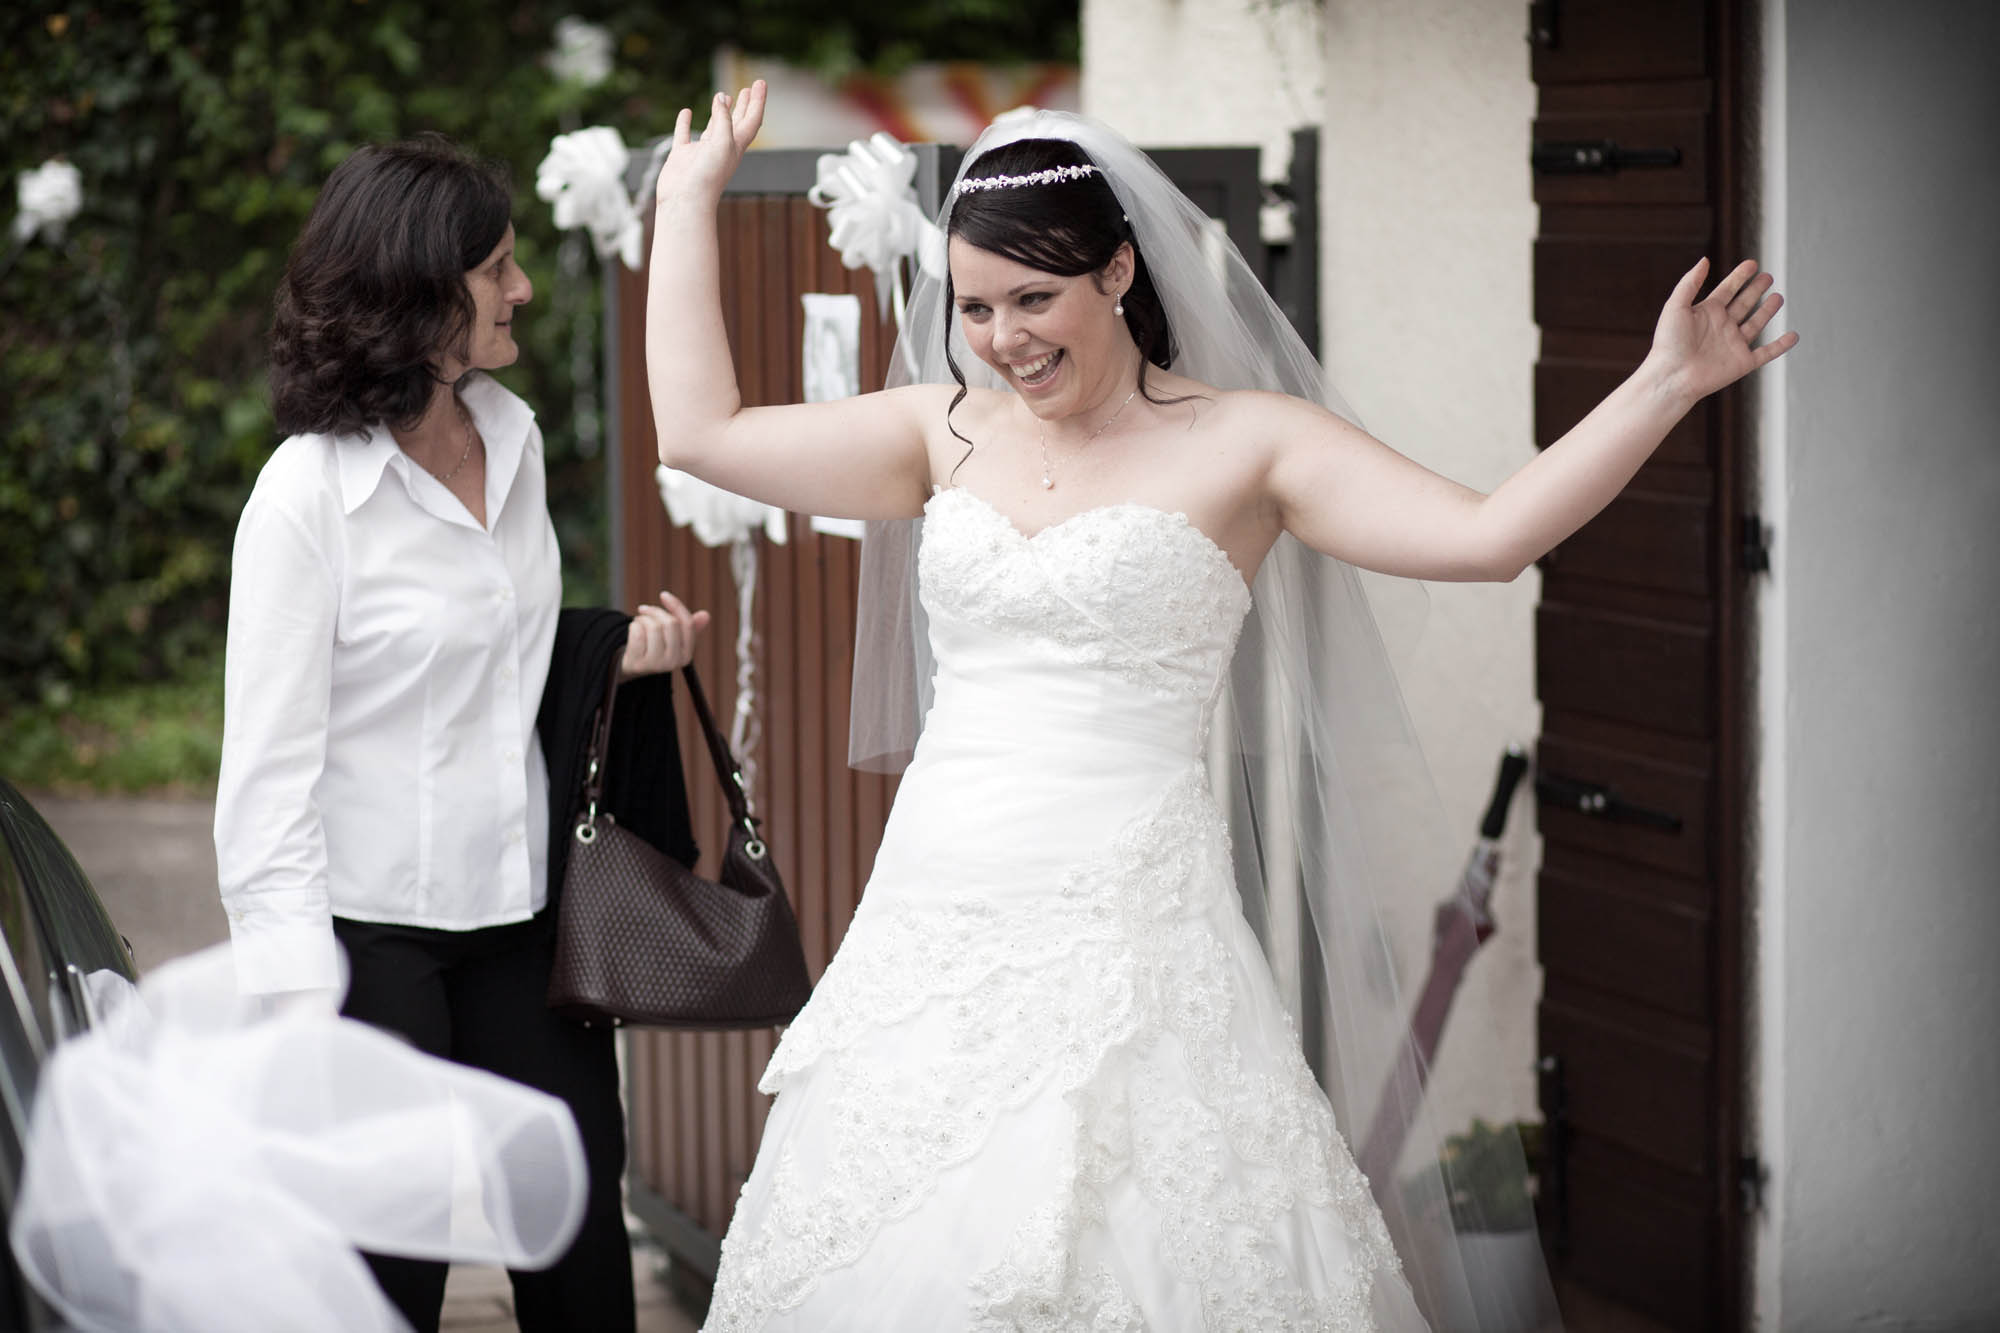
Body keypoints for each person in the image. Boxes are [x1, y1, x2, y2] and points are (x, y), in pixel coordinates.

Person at [646, 84, 1794, 1330]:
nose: (1002, 339)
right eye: (973, 308)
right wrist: (689, 198)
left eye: (1033, 300)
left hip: (1132, 929)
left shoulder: (1249, 445)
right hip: (931, 919)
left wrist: (1663, 384)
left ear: (1120, 271)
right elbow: (700, 432)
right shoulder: (942, 433)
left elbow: (1487, 537)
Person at [214, 135, 708, 1333]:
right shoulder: (305, 498)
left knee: (578, 1242)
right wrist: (298, 1008)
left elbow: (505, 646)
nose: (521, 289)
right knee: (388, 1279)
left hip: (522, 925)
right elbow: (265, 782)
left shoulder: (514, 437)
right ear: (415, 292)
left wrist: (614, 650)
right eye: (496, 268)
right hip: (368, 939)